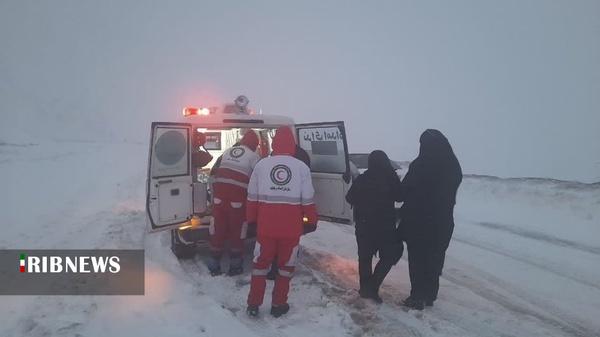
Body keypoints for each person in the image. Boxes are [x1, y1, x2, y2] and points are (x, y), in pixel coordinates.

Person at [245, 126, 318, 318]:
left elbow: (251, 196)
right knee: (285, 268)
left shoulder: (261, 165)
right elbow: (308, 198)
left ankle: (253, 304)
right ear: (292, 143)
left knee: (260, 266)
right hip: (291, 230)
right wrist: (311, 221)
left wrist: (251, 221)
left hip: (265, 228)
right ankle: (278, 305)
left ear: (274, 142)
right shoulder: (302, 167)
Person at [397, 129, 462, 310]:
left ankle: (417, 297)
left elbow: (403, 192)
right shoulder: (453, 166)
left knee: (418, 260)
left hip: (419, 222)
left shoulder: (421, 164)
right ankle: (430, 295)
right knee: (434, 258)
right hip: (442, 223)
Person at [345, 150, 403, 304]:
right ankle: (373, 286)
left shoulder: (363, 179)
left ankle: (365, 289)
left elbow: (349, 197)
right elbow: (400, 196)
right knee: (389, 256)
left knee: (365, 258)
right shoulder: (391, 178)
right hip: (385, 227)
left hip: (364, 226)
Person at [208, 131, 260, 276]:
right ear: (254, 145)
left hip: (219, 197)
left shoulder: (228, 151)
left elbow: (216, 172)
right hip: (237, 200)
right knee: (237, 231)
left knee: (218, 229)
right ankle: (235, 267)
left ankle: (213, 265)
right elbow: (258, 178)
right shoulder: (254, 156)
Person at [266, 144, 312, 281]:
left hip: (276, 205)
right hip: (295, 205)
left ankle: (275, 268)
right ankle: (286, 266)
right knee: (290, 238)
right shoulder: (303, 155)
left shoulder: (275, 156)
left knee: (276, 236)